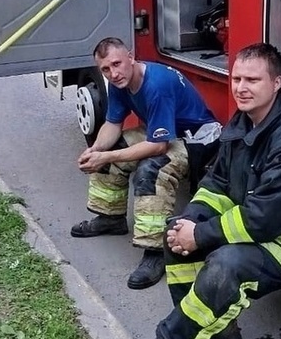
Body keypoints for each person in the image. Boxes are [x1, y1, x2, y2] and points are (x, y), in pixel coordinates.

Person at [136, 43, 281, 339]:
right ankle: (220, 338)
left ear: (277, 83)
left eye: (252, 80)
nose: (241, 88)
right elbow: (217, 182)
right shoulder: (243, 122)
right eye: (236, 79)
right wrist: (191, 221)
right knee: (175, 232)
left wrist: (201, 235)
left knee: (227, 262)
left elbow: (265, 219)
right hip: (267, 226)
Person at [72, 37, 219, 290]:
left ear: (130, 57)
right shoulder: (120, 83)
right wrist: (96, 150)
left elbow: (158, 147)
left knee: (152, 170)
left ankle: (155, 251)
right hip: (164, 132)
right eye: (105, 69)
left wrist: (106, 156)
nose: (113, 73)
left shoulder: (157, 84)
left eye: (117, 64)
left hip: (197, 138)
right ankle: (110, 218)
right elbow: (113, 125)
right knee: (112, 147)